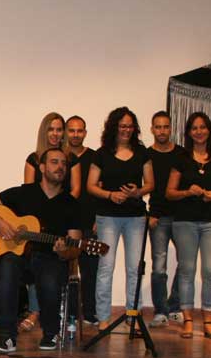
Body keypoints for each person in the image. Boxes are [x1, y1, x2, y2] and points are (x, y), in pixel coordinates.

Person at [0, 147, 83, 353]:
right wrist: (0, 223)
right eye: (54, 162)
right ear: (42, 168)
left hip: (51, 258)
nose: (60, 167)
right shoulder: (24, 193)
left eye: (64, 163)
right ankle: (6, 336)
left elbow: (75, 248)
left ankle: (50, 333)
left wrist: (64, 251)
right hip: (20, 257)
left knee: (50, 277)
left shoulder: (71, 204)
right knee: (8, 266)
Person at [165, 112, 211, 339]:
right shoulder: (181, 158)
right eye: (194, 128)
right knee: (187, 270)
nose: (199, 131)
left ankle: (209, 321)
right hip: (184, 221)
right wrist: (187, 192)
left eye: (203, 127)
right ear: (188, 132)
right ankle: (187, 320)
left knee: (210, 272)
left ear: (209, 130)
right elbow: (170, 193)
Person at [86, 107, 154, 329]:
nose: (126, 130)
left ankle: (133, 314)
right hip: (107, 216)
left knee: (134, 268)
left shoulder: (142, 153)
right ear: (114, 127)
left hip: (136, 217)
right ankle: (103, 317)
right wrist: (110, 195)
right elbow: (90, 186)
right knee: (106, 267)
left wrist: (137, 192)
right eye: (122, 126)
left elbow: (151, 184)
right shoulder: (101, 153)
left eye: (130, 126)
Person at [19, 112, 75, 333]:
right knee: (33, 256)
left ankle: (52, 316)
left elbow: (75, 191)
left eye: (59, 129)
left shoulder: (71, 159)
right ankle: (34, 311)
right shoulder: (33, 159)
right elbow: (27, 194)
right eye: (51, 129)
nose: (55, 133)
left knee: (52, 263)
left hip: (63, 222)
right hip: (36, 225)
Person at [146, 111, 184, 327]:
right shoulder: (146, 154)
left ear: (171, 128)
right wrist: (149, 214)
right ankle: (160, 311)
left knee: (185, 263)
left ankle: (175, 306)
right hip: (157, 218)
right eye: (158, 127)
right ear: (152, 129)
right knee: (159, 268)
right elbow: (140, 186)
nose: (162, 131)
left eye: (165, 127)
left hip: (182, 217)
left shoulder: (182, 153)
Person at [64, 115, 99, 326]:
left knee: (90, 270)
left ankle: (90, 312)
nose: (75, 134)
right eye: (72, 130)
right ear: (66, 132)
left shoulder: (95, 157)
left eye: (79, 130)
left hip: (89, 222)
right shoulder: (60, 157)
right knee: (66, 271)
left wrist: (98, 219)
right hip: (65, 222)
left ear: (85, 133)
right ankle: (69, 315)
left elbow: (100, 189)